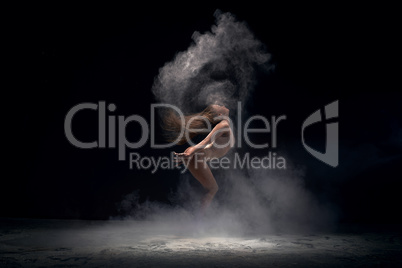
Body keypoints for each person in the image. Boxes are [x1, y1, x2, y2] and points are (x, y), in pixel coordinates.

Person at [163, 104, 234, 215]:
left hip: (196, 155)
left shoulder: (225, 124)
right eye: (220, 105)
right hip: (197, 155)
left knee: (209, 189)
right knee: (212, 189)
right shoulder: (224, 124)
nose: (223, 104)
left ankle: (195, 218)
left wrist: (190, 153)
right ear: (220, 114)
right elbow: (207, 141)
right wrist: (191, 152)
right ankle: (199, 222)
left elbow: (209, 144)